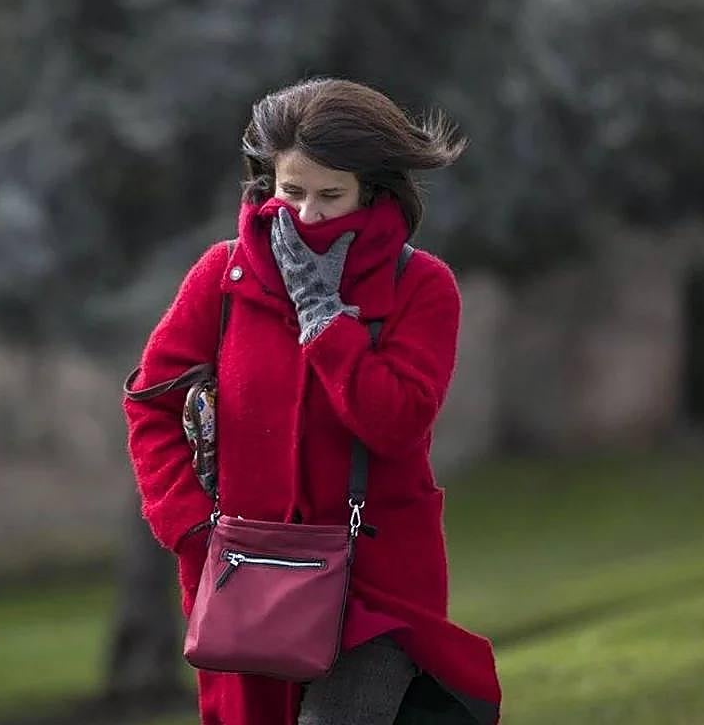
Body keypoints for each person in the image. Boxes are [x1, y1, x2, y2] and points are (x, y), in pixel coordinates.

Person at [123, 78, 502, 725]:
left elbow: (397, 421)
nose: (306, 215)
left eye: (330, 196)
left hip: (373, 584)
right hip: (243, 580)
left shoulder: (421, 285)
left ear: (372, 190)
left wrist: (324, 316)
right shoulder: (221, 275)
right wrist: (190, 528)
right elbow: (151, 407)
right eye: (291, 191)